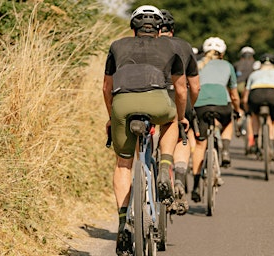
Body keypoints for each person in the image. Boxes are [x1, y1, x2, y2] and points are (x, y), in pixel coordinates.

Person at [102, 5, 188, 255]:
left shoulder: (117, 45)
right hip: (157, 101)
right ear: (160, 30)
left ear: (133, 28)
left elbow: (106, 88)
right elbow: (181, 90)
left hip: (123, 105)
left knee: (123, 164)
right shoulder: (171, 47)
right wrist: (181, 118)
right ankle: (164, 168)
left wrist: (111, 117)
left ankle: (122, 222)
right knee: (171, 121)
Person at [190, 37, 242, 202]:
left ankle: (196, 185)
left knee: (200, 144)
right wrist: (238, 110)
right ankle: (225, 151)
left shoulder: (198, 65)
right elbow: (234, 94)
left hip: (200, 105)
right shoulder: (228, 66)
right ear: (223, 52)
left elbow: (192, 87)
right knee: (228, 123)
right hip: (222, 104)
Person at [160, 9, 200, 215]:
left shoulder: (148, 46)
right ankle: (180, 178)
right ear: (172, 31)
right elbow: (194, 86)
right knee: (182, 135)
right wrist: (188, 108)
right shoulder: (184, 46)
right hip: (177, 98)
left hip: (152, 97)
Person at [243, 53, 274, 157]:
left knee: (254, 117)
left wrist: (247, 110)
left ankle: (256, 143)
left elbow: (245, 97)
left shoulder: (253, 74)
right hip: (273, 95)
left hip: (256, 94)